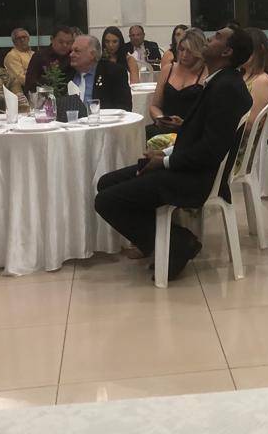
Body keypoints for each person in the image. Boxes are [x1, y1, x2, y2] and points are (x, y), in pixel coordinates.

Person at [95, 28, 253, 282]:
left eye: (216, 37)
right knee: (106, 183)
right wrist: (165, 152)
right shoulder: (219, 81)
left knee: (105, 200)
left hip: (195, 177)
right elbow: (197, 136)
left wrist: (165, 162)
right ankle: (167, 242)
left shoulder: (226, 88)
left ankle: (178, 243)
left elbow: (210, 150)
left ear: (226, 51)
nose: (209, 39)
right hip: (186, 164)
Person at [147, 29, 206, 136]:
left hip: (192, 131)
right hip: (164, 128)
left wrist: (184, 124)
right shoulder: (168, 69)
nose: (184, 55)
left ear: (198, 52)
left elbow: (207, 116)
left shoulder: (206, 73)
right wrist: (160, 119)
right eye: (182, 49)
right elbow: (154, 106)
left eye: (190, 51)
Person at [67, 34, 132, 111]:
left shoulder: (113, 72)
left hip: (102, 117)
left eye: (77, 51)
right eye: (71, 51)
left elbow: (124, 107)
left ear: (92, 54)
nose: (71, 55)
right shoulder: (66, 73)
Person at [23, 25, 74, 93]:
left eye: (68, 43)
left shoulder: (73, 56)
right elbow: (29, 85)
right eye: (61, 42)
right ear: (52, 39)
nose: (65, 45)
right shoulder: (39, 56)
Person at [242, 28, 268, 127]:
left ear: (260, 49)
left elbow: (251, 124)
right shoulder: (241, 75)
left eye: (246, 49)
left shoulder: (262, 80)